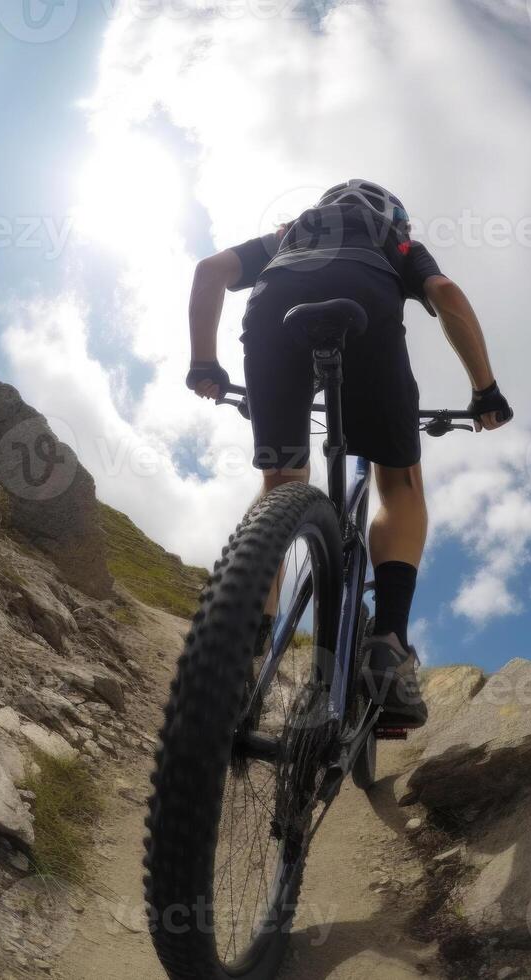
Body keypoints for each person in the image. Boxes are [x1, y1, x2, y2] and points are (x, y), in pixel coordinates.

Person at [184, 179, 512, 728]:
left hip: (271, 313)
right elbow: (447, 295)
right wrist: (485, 391)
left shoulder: (292, 232)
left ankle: (240, 653)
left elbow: (209, 271)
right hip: (367, 312)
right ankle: (387, 645)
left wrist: (204, 363)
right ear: (396, 217)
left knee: (282, 483)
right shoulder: (394, 238)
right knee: (400, 483)